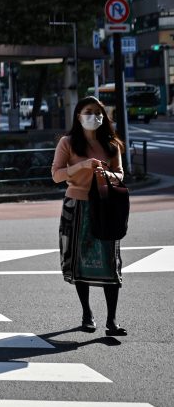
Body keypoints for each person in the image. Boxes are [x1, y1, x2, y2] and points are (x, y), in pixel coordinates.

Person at [51, 96, 127, 336]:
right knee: (78, 260)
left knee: (110, 262)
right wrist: (82, 166)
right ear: (78, 115)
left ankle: (112, 320)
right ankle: (87, 314)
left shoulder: (111, 144)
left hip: (104, 207)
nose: (93, 116)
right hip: (77, 205)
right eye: (88, 111)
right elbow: (56, 175)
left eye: (98, 112)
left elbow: (121, 175)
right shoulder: (68, 142)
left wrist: (105, 173)